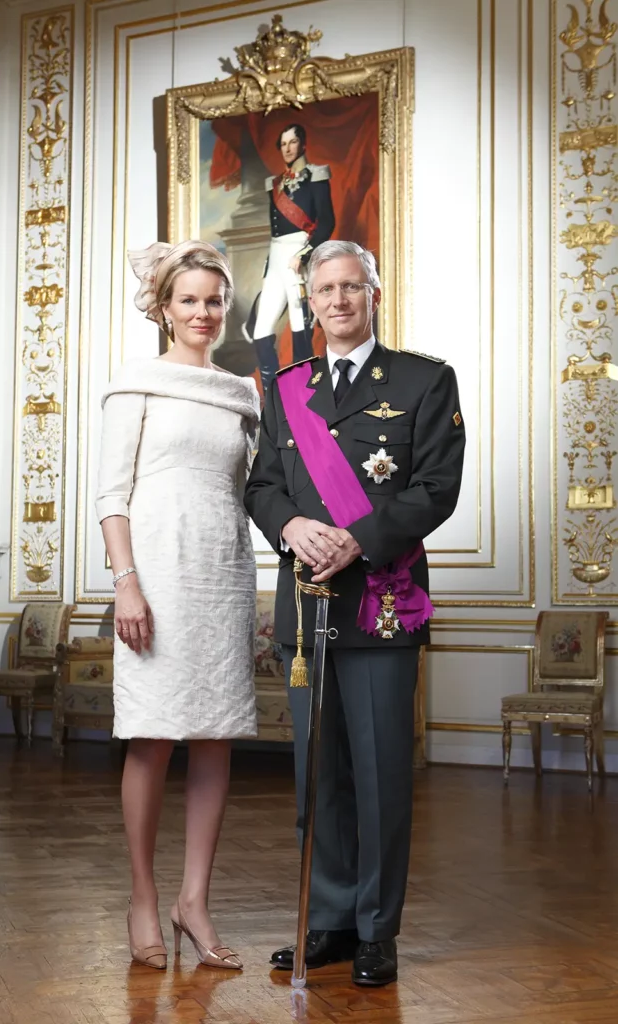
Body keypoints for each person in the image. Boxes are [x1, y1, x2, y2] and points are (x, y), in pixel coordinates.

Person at [244, 240, 465, 987]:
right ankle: (329, 920)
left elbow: (435, 487)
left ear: (373, 293)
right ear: (307, 300)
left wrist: (356, 541)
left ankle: (376, 929)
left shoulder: (422, 379)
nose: (337, 300)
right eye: (324, 289)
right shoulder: (286, 387)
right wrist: (288, 526)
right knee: (319, 776)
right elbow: (261, 485)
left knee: (378, 777)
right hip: (305, 611)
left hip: (381, 606)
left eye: (351, 287)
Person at [95, 239, 260, 972]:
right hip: (154, 578)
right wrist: (126, 582)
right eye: (189, 300)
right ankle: (142, 894)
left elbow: (254, 490)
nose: (203, 312)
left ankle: (193, 900)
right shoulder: (136, 383)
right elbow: (110, 496)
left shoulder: (243, 393)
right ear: (163, 308)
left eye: (214, 300)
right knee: (152, 736)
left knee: (215, 737)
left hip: (222, 575)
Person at [243, 123, 335, 392]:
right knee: (261, 329)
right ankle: (274, 395)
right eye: (283, 144)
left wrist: (304, 255)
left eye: (292, 142)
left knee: (299, 322)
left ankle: (302, 392)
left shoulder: (316, 175)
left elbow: (327, 222)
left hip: (299, 254)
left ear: (302, 144)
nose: (287, 148)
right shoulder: (274, 184)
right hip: (276, 257)